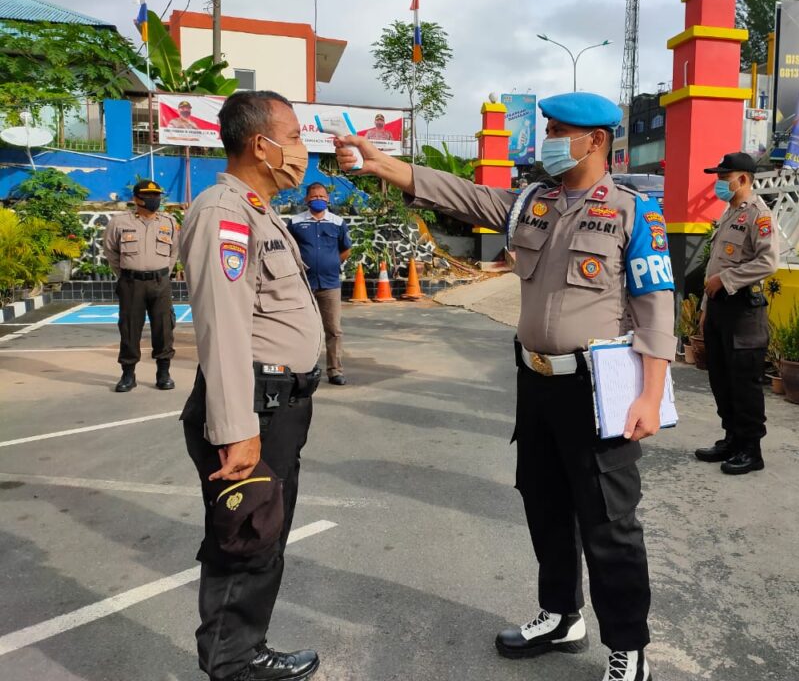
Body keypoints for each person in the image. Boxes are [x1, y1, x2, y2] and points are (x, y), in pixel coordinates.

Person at [335, 91, 675, 681]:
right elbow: (462, 194)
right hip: (536, 383)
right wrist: (380, 163)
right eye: (549, 129)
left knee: (609, 523)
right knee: (544, 505)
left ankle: (629, 648)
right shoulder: (532, 203)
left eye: (559, 131)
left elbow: (655, 306)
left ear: (595, 140)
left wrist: (650, 393)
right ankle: (561, 615)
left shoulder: (633, 212)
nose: (548, 140)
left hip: (598, 390)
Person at [178, 90, 324, 681]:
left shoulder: (258, 211)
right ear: (261, 145)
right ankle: (232, 665)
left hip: (278, 404)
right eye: (294, 136)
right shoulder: (224, 214)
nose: (303, 150)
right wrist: (237, 430)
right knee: (245, 538)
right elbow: (223, 328)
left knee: (264, 535)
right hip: (254, 407)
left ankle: (246, 652)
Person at [693, 152, 780, 475]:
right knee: (721, 378)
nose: (718, 183)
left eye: (723, 177)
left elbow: (768, 262)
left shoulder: (759, 215)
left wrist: (726, 280)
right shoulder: (729, 214)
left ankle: (750, 449)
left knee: (744, 383)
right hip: (719, 308)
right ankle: (731, 439)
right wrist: (705, 309)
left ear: (742, 179)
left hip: (743, 310)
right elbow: (714, 266)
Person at [101, 179, 179, 392]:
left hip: (160, 282)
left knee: (164, 328)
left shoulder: (169, 222)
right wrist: (126, 273)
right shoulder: (119, 222)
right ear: (136, 199)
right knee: (129, 328)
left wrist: (163, 272)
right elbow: (111, 251)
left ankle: (163, 373)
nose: (153, 199)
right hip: (131, 283)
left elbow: (174, 251)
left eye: (156, 195)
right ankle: (128, 375)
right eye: (148, 196)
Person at [287, 182, 352, 385]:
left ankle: (335, 371)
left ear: (328, 199)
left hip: (330, 284)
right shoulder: (295, 223)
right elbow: (288, 248)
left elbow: (346, 249)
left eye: (322, 197)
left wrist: (332, 263)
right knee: (302, 328)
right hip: (303, 285)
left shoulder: (337, 223)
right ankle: (301, 370)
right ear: (306, 199)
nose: (318, 200)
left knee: (333, 330)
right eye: (314, 197)